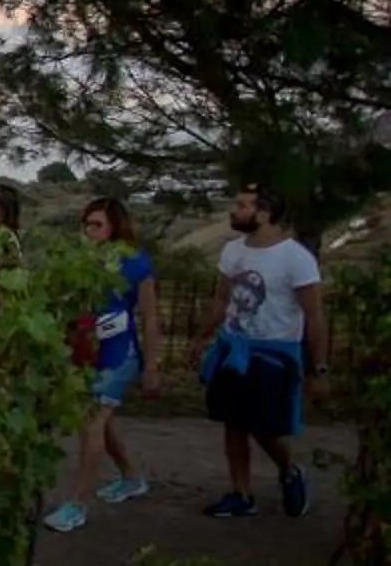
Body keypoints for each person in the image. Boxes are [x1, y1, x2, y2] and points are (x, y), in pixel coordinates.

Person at [188, 183, 326, 519]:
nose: (234, 211)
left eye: (243, 206)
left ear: (264, 214)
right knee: (233, 422)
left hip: (274, 353)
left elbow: (314, 316)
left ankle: (290, 469)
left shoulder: (296, 259)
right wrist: (201, 337)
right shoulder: (233, 251)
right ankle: (241, 493)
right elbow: (222, 300)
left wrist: (319, 368)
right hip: (233, 347)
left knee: (265, 427)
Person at [42, 198, 162, 533]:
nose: (90, 231)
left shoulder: (136, 262)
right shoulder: (81, 261)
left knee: (92, 422)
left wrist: (152, 364)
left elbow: (150, 316)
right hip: (86, 352)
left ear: (115, 226)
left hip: (119, 354)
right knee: (99, 420)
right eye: (86, 224)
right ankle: (130, 476)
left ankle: (77, 504)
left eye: (97, 225)